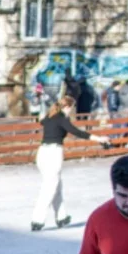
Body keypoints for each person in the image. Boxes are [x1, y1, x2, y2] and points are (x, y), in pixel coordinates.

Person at [33, 94, 95, 232]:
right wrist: (97, 138)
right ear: (67, 107)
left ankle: (61, 216)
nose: (71, 111)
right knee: (50, 187)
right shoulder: (62, 118)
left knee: (56, 185)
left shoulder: (49, 116)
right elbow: (76, 132)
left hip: (42, 152)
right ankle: (37, 219)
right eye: (71, 108)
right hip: (53, 153)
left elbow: (41, 121)